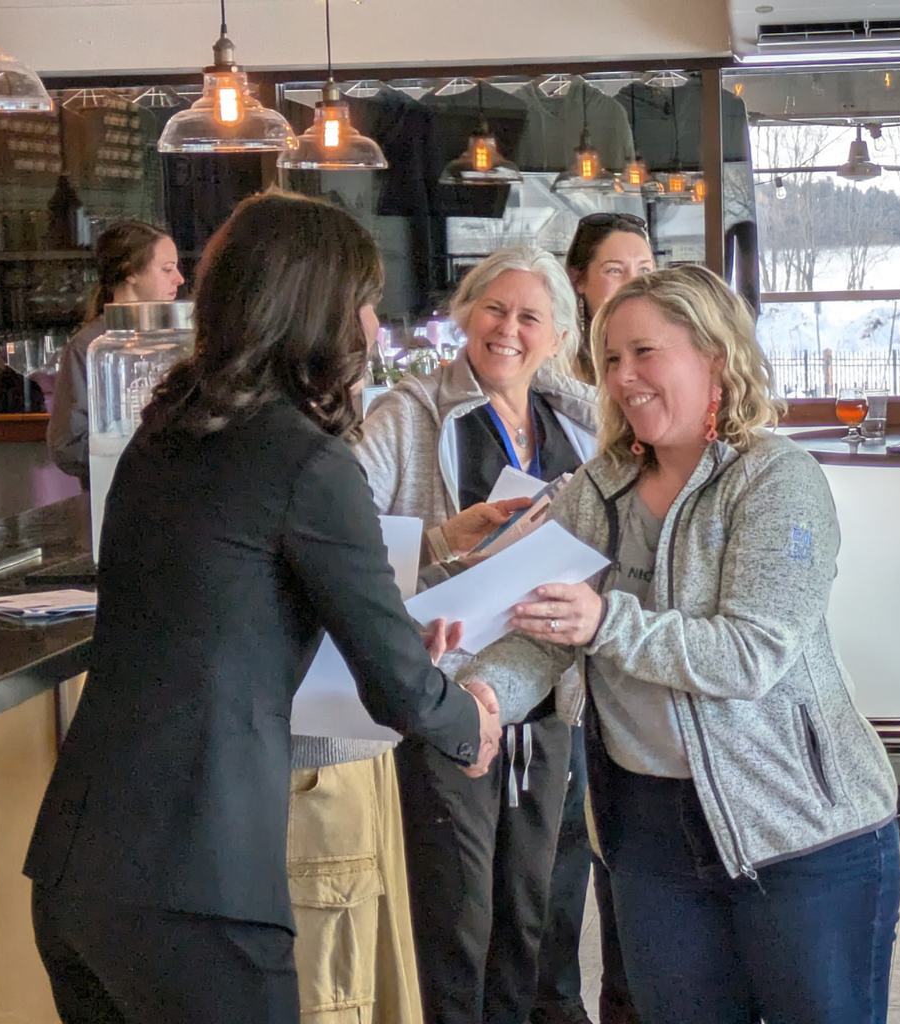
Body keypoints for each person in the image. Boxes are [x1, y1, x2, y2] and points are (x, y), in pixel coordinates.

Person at [23, 191, 502, 1024]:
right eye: (365, 303)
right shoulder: (307, 462)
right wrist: (472, 724)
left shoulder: (161, 436)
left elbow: (218, 624)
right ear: (322, 312)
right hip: (199, 880)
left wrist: (388, 643)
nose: (372, 328)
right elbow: (395, 683)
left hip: (77, 867)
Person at [462, 266, 900, 1024]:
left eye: (645, 353)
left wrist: (606, 621)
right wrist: (482, 696)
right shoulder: (599, 487)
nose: (622, 377)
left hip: (799, 835)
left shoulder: (776, 479)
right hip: (648, 837)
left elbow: (751, 653)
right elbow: (546, 628)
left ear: (715, 358)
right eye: (610, 359)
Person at [358, 245, 599, 1024]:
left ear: (559, 336)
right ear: (465, 315)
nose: (508, 329)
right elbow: (345, 540)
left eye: (530, 316)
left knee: (539, 913)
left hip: (552, 693)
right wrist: (440, 544)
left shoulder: (585, 421)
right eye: (494, 308)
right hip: (448, 693)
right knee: (456, 915)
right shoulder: (408, 414)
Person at [532, 212, 655, 1024]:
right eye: (617, 268)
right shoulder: (552, 377)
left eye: (645, 266)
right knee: (566, 850)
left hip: (620, 651)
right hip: (559, 646)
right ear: (578, 280)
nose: (635, 280)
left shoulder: (626, 392)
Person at [47, 220, 185, 487]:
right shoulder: (89, 345)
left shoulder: (178, 340)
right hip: (114, 495)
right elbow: (67, 445)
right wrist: (144, 452)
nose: (179, 279)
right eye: (167, 269)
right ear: (131, 272)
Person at [564, 212, 654, 386]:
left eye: (644, 270)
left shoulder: (673, 354)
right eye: (615, 270)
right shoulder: (560, 370)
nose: (633, 283)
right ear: (578, 280)